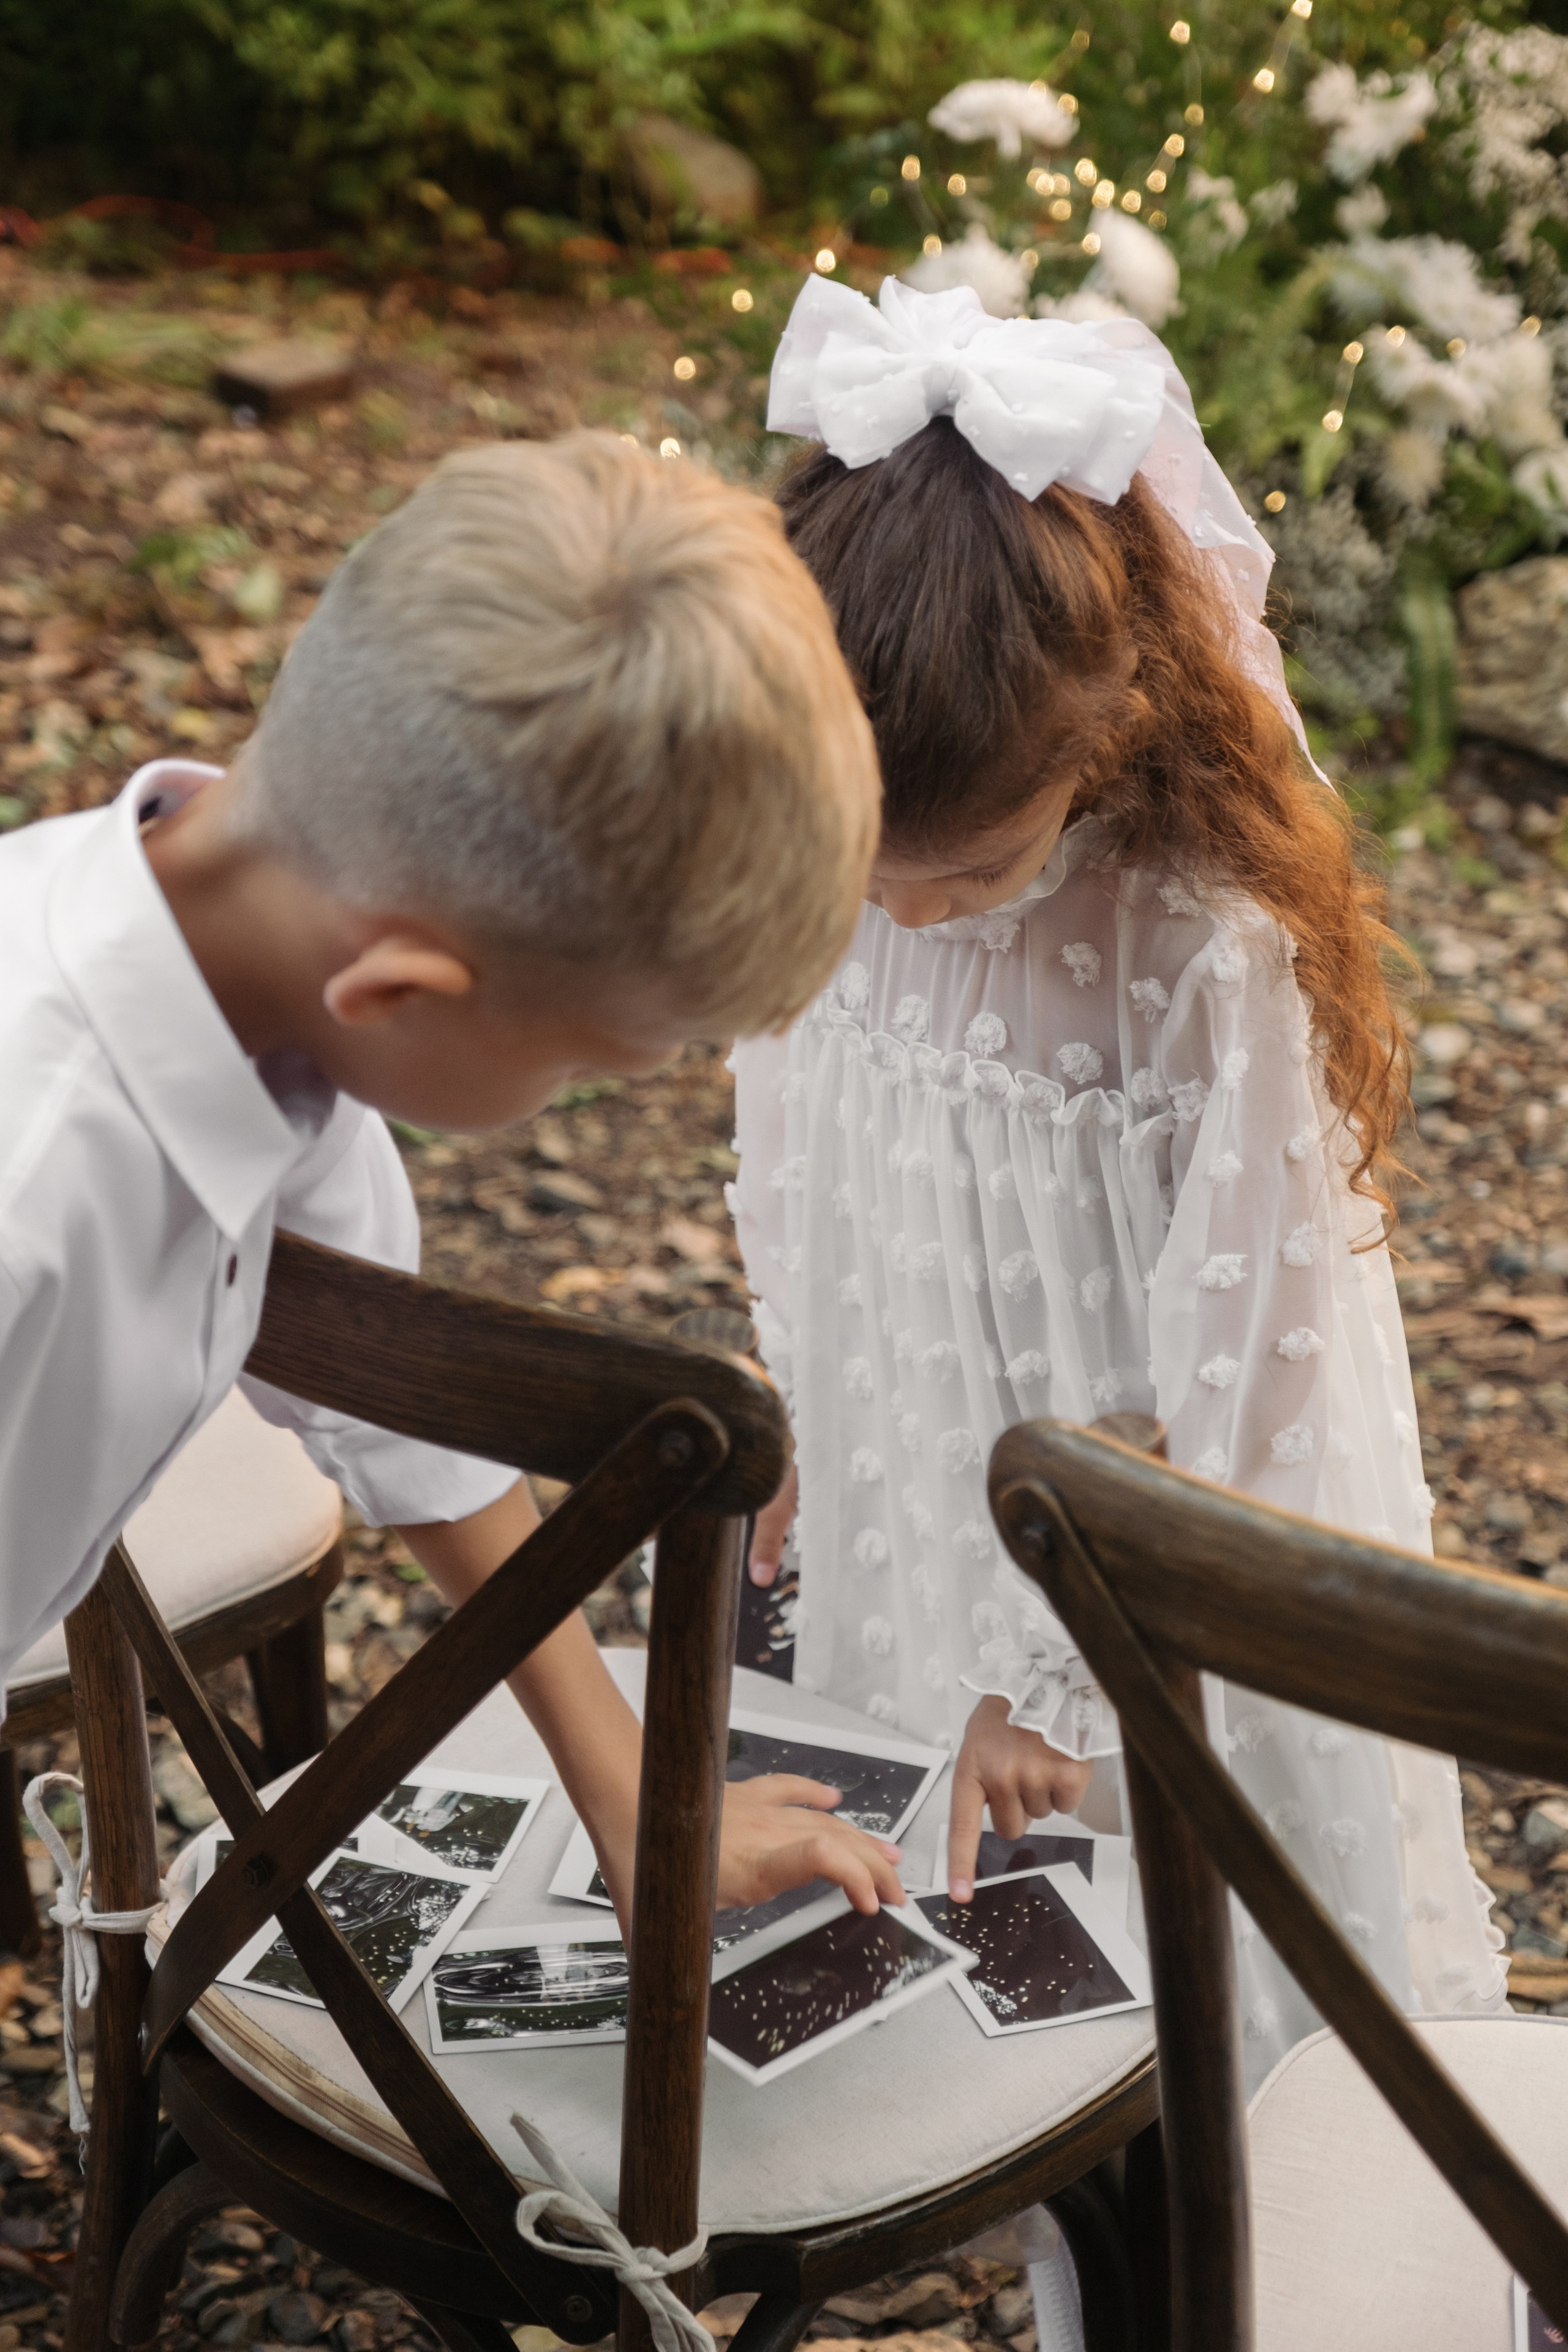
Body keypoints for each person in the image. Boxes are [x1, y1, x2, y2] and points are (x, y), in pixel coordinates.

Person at [731, 276, 1506, 2089]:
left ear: (1121, 717)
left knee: (1198, 1997)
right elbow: (798, 1156)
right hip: (927, 1488)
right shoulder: (825, 882)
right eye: (867, 865)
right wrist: (806, 1405)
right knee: (966, 1977)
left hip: (1145, 1585)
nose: (904, 914)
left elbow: (1254, 1388)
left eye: (971, 862)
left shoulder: (1197, 956)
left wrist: (1059, 1666)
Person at [0, 430, 903, 1934]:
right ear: (404, 990)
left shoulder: (257, 968)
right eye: (586, 1067)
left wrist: (624, 1783)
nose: (578, 1100)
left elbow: (394, 1409)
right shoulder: (38, 1202)